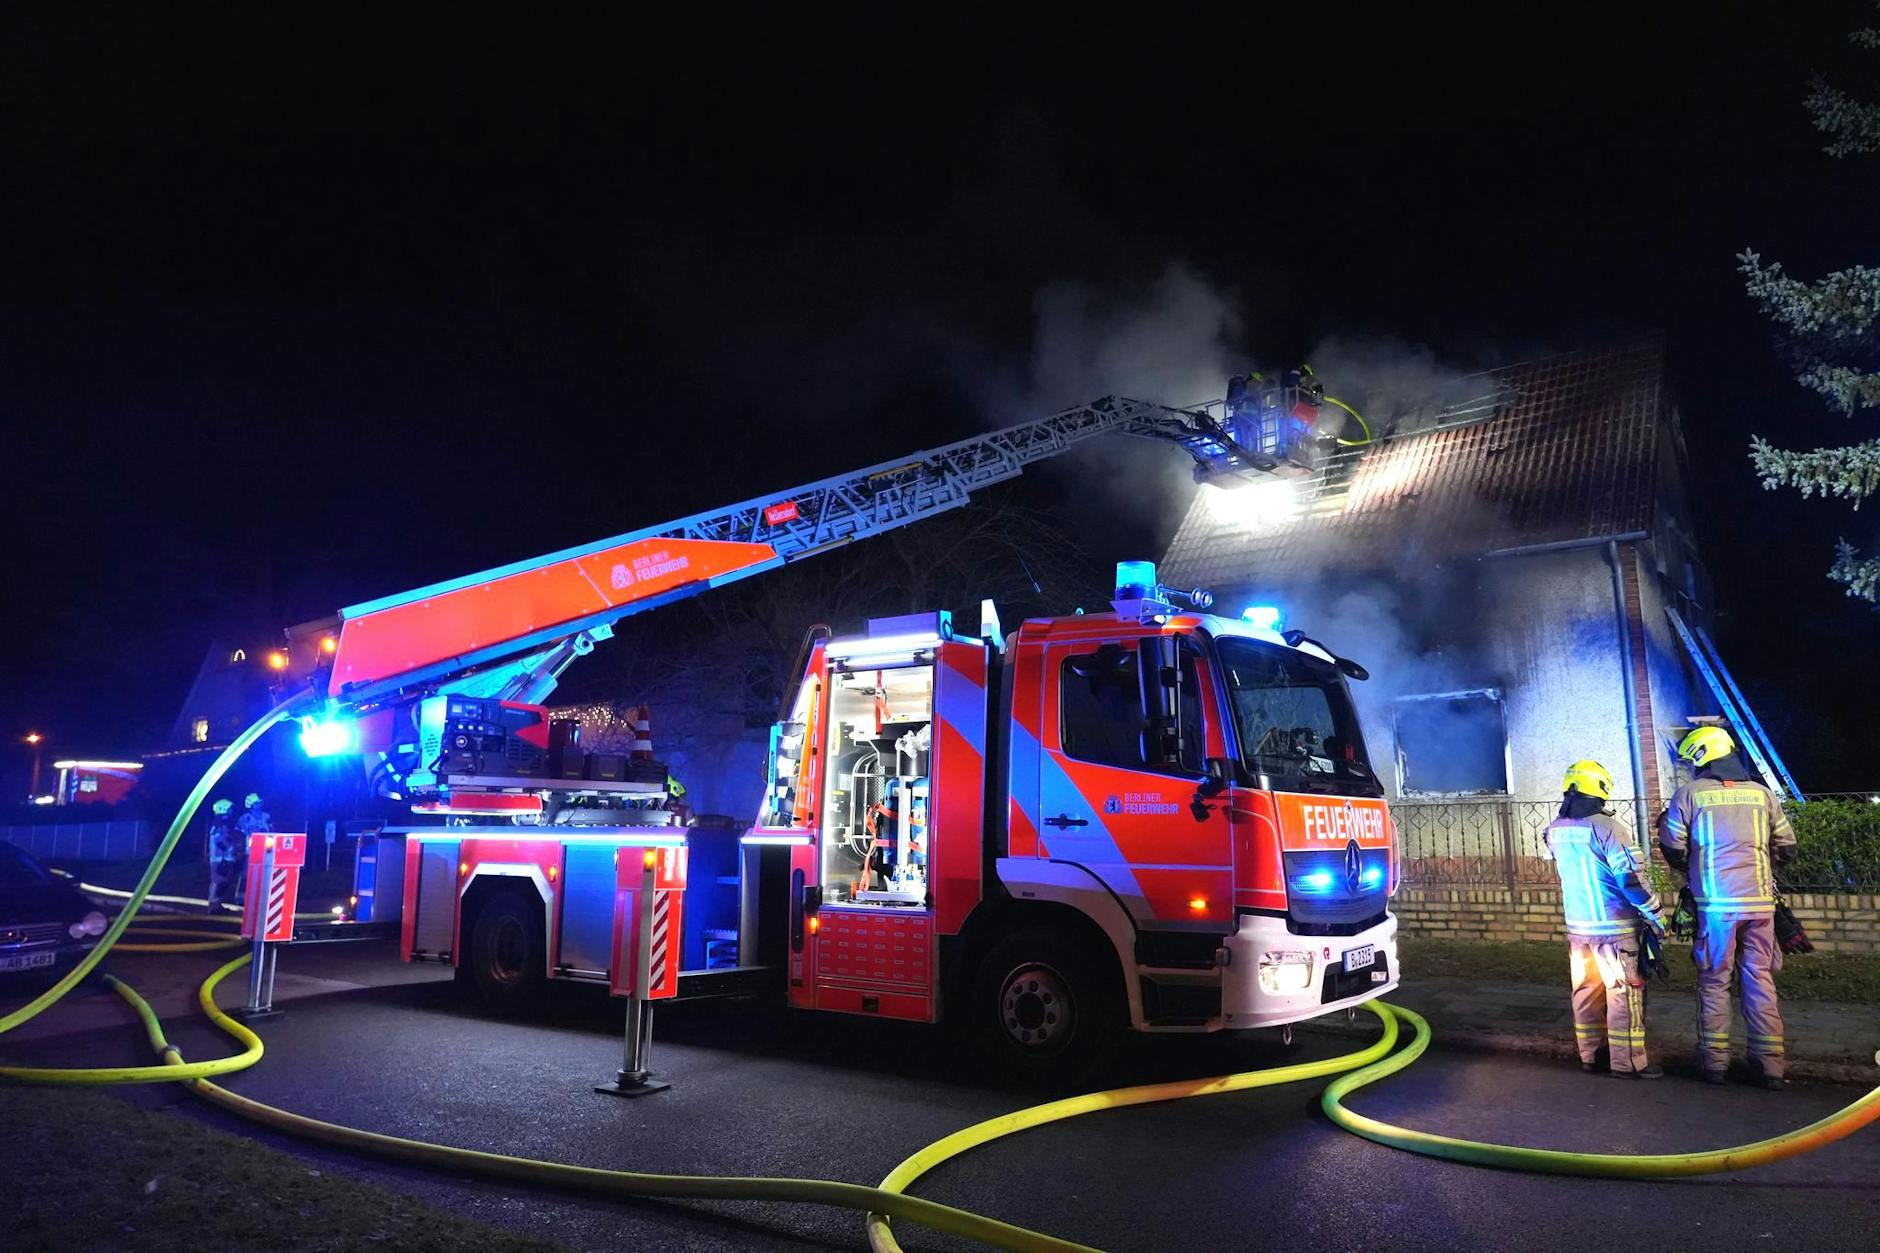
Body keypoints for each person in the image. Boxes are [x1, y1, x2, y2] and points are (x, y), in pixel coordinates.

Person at [1658, 727, 1796, 1089]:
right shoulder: (1762, 795)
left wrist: (1692, 866)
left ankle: (1715, 1065)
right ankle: (1770, 1068)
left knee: (1715, 981)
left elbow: (1672, 846)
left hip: (1716, 907)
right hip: (1760, 906)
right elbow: (1788, 846)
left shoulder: (1689, 795)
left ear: (1702, 755)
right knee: (1760, 980)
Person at [1540, 759, 1666, 1078]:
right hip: (1616, 931)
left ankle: (1590, 1056)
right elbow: (1631, 880)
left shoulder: (1554, 830)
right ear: (1600, 789)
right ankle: (1628, 1063)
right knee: (1623, 994)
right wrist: (1655, 914)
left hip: (1579, 931)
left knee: (1584, 993)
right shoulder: (1609, 828)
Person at [235, 792, 273, 905]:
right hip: (250, 851)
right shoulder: (245, 818)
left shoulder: (267, 816)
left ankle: (260, 896)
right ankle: (240, 897)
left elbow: (272, 830)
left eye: (260, 802)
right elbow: (238, 834)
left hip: (266, 851)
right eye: (257, 803)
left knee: (263, 874)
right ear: (251, 804)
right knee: (246, 874)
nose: (260, 804)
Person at [206, 799, 240, 913]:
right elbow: (220, 841)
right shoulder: (218, 824)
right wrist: (231, 849)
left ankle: (217, 904)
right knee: (218, 881)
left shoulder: (221, 823)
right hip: (219, 859)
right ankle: (214, 906)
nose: (232, 811)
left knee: (223, 882)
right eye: (230, 809)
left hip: (223, 858)